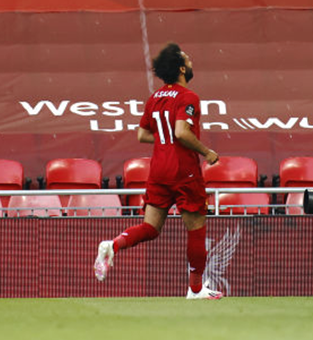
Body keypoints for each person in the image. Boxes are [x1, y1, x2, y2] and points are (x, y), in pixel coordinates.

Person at [94, 43, 223, 299]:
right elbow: (181, 132)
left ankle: (113, 245)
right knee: (196, 228)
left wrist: (164, 139)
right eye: (187, 58)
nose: (191, 61)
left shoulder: (155, 98)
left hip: (158, 170)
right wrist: (207, 152)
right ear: (182, 68)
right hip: (183, 170)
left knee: (151, 227)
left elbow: (142, 134)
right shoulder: (189, 97)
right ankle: (196, 290)